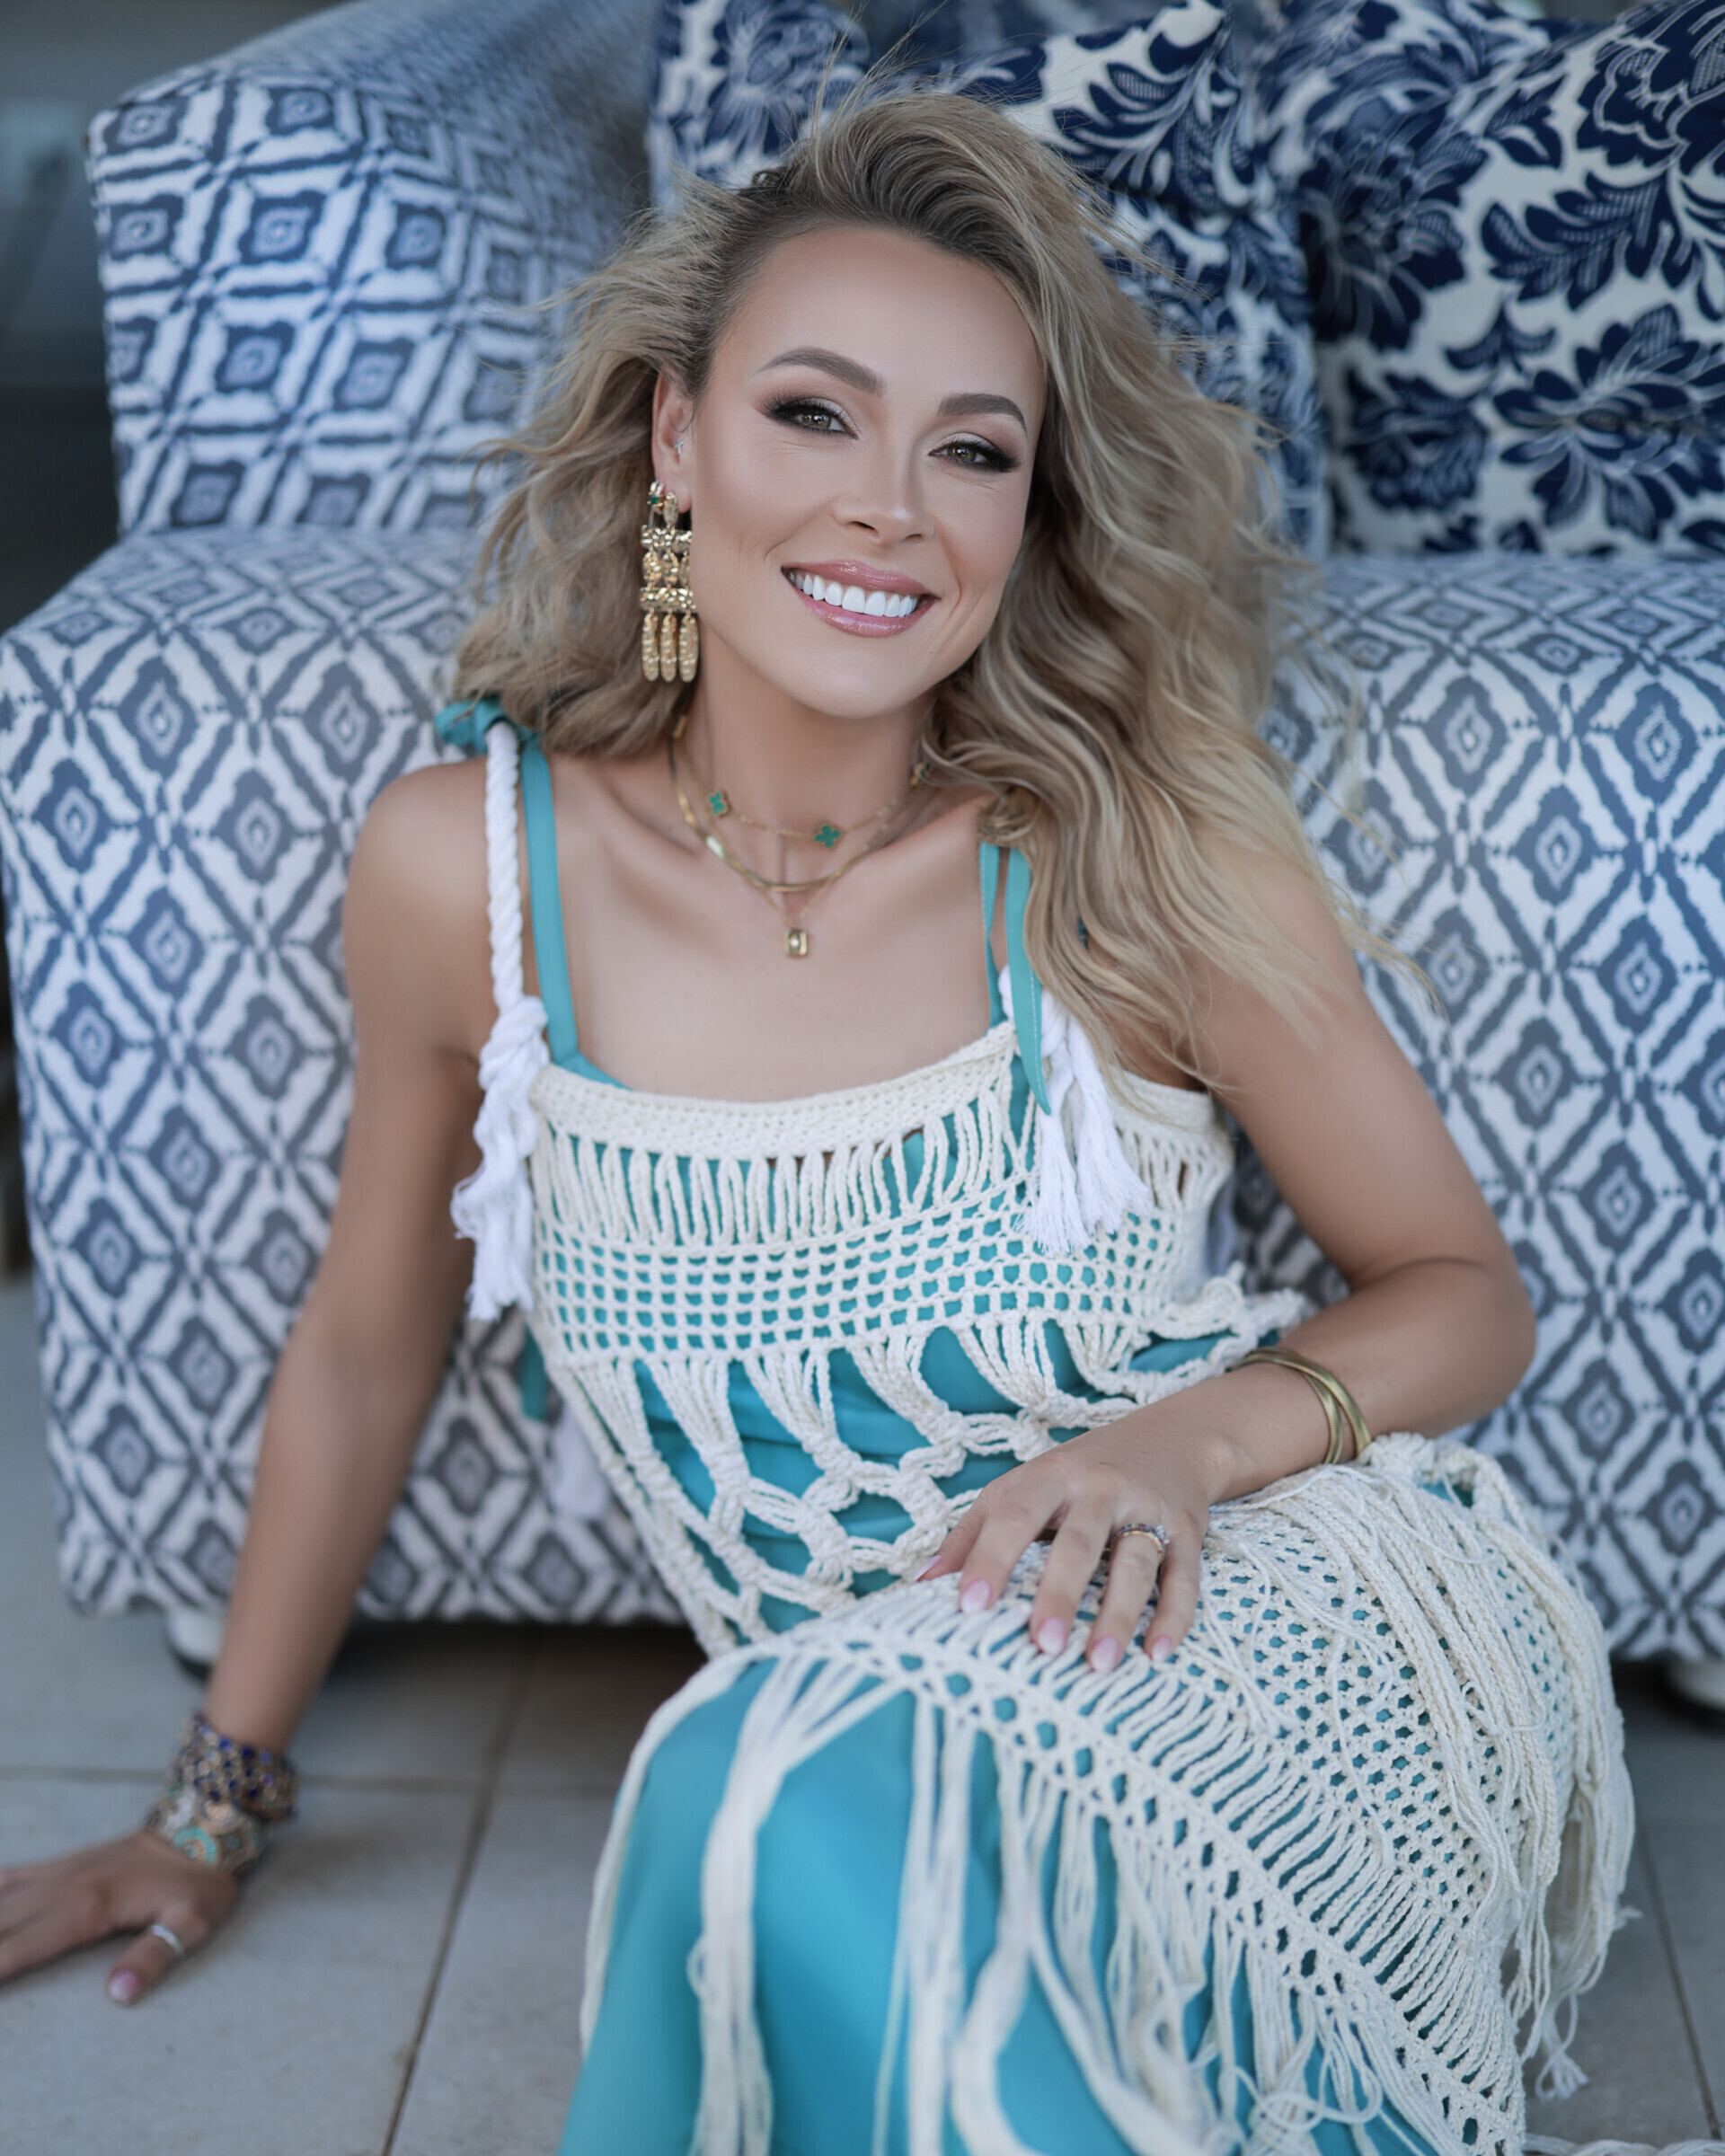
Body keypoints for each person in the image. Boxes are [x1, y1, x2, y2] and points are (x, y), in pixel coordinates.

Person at [0, 86, 1632, 2156]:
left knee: (734, 1795)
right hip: (857, 1722)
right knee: (780, 1828)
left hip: (1266, 1614)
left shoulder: (1131, 843)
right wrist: (209, 1810)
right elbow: (364, 1341)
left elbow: (1464, 1293)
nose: (891, 508)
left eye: (973, 450)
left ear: (1028, 515)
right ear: (675, 439)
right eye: (813, 415)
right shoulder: (464, 874)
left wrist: (1181, 1447)